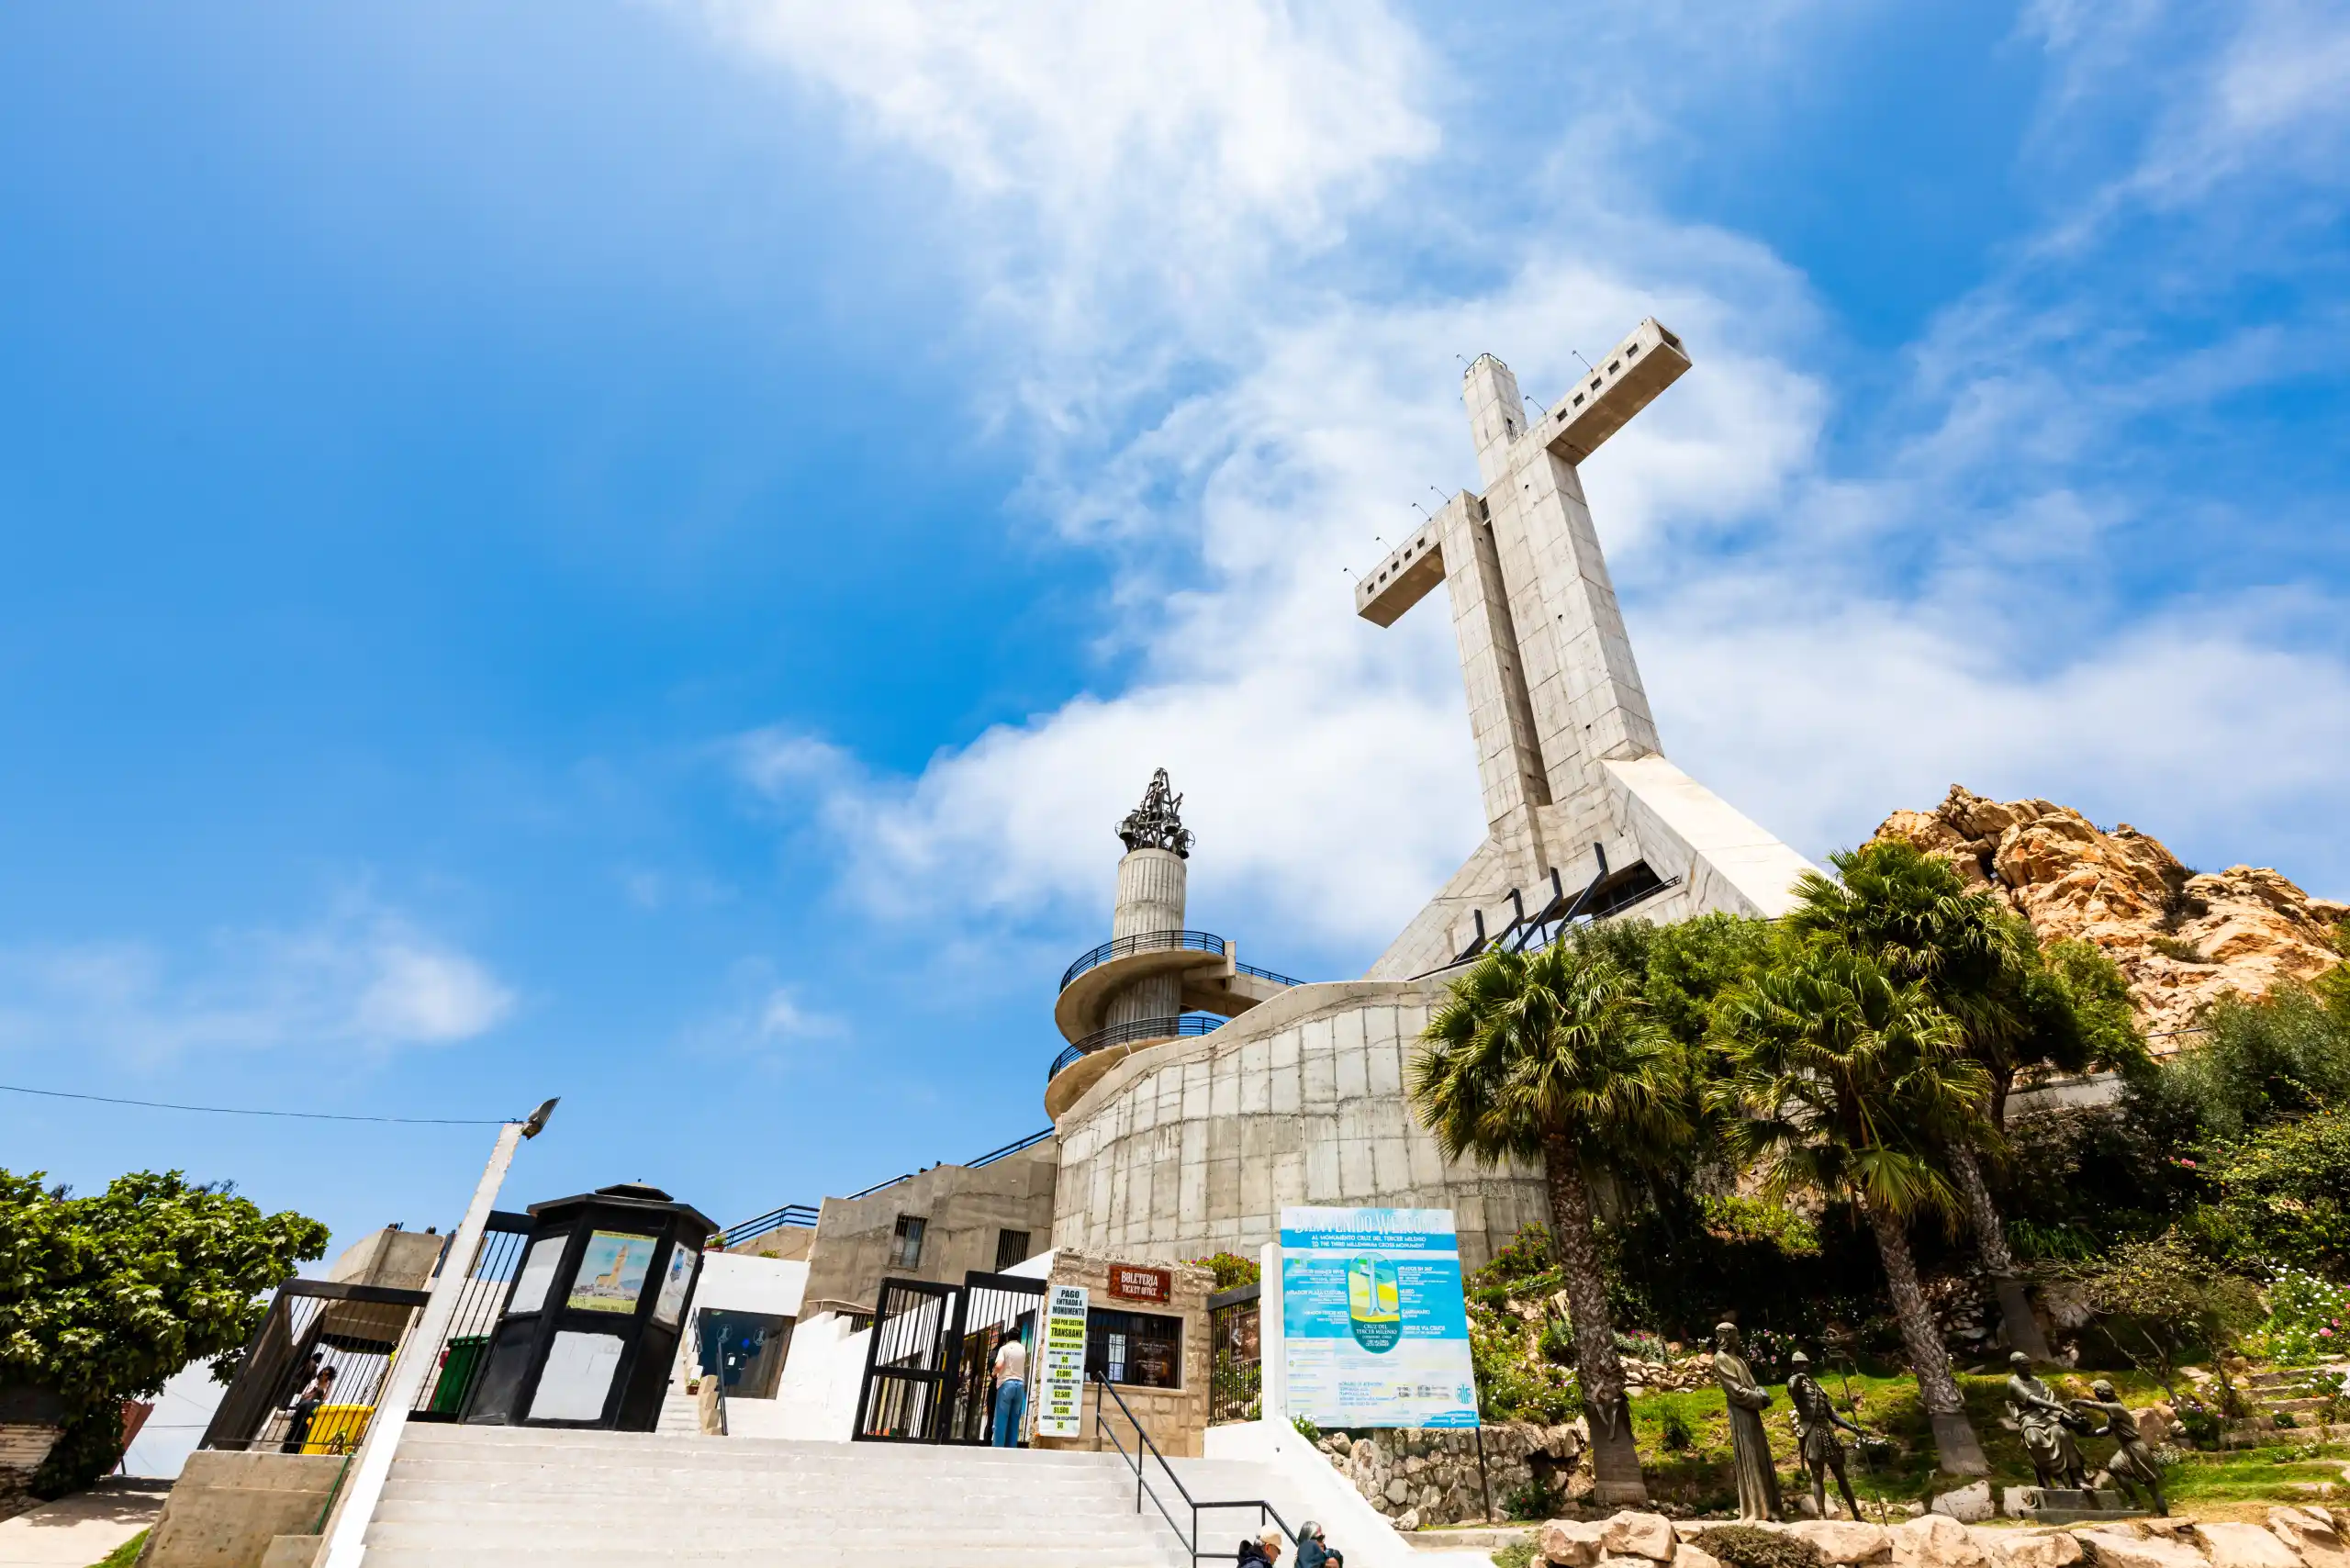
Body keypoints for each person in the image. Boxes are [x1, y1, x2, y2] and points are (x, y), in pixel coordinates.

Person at [1712, 1323, 1782, 1521]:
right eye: (1734, 1335)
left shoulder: (1738, 1360)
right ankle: (1757, 1510)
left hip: (1751, 1412)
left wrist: (1760, 1390)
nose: (1738, 1338)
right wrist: (1758, 1398)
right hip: (1741, 1412)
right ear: (1726, 1337)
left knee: (1760, 1455)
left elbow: (1750, 1384)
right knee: (1750, 1455)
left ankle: (1770, 1506)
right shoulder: (1721, 1359)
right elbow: (1735, 1390)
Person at [1786, 1350, 1865, 1521]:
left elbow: (1833, 1415)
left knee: (1841, 1475)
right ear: (1796, 1366)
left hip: (1827, 1433)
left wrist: (1852, 1428)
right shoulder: (1795, 1381)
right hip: (1812, 1433)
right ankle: (1822, 1515)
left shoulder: (1817, 1386)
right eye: (1801, 1364)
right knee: (1817, 1475)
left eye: (1806, 1364)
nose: (1805, 1367)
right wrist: (1799, 1376)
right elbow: (1794, 1392)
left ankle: (1856, 1514)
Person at [2078, 1380, 2167, 1517]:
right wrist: (2090, 1434)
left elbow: (2094, 1405)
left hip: (2136, 1447)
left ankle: (2165, 1515)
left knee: (2150, 1485)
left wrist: (2076, 1402)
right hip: (2126, 1448)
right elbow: (2108, 1429)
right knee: (2114, 1467)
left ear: (2103, 1393)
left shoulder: (2116, 1407)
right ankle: (2135, 1501)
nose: (2096, 1395)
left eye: (2096, 1392)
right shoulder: (2112, 1410)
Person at [2004, 1351, 2087, 1492]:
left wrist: (2070, 1417)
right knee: (2034, 1441)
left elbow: (2052, 1401)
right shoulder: (2013, 1381)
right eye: (2024, 1365)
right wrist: (2059, 1407)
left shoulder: (2038, 1382)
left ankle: (2078, 1478)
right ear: (2016, 1366)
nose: (2028, 1368)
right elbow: (2033, 1400)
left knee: (2063, 1435)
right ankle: (2056, 1480)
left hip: (2048, 1416)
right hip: (2029, 1418)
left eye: (2029, 1364)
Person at [282, 1365, 335, 1453]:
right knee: (295, 1428)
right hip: (304, 1406)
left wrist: (321, 1390)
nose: (323, 1375)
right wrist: (314, 1391)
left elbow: (326, 1398)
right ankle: (287, 1446)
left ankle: (295, 1448)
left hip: (313, 1409)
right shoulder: (314, 1382)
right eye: (323, 1372)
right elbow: (304, 1395)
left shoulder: (328, 1385)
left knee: (304, 1430)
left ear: (329, 1376)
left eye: (326, 1374)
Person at [990, 1330, 1027, 1448]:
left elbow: (999, 1365)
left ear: (1008, 1337)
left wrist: (993, 1373)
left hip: (1006, 1384)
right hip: (1020, 1385)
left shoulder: (1004, 1349)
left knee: (1001, 1420)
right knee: (1014, 1421)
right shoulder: (1023, 1349)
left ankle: (998, 1449)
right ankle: (1011, 1449)